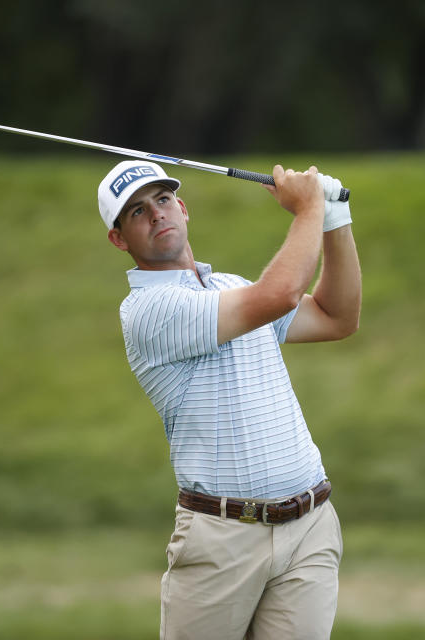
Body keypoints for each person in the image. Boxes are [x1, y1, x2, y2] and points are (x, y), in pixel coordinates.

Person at [98, 159, 361, 639]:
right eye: (136, 212)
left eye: (161, 200)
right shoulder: (149, 312)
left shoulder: (231, 288)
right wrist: (307, 210)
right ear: (120, 240)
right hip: (221, 540)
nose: (156, 215)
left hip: (309, 527)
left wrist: (334, 217)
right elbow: (280, 294)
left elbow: (336, 317)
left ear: (182, 207)